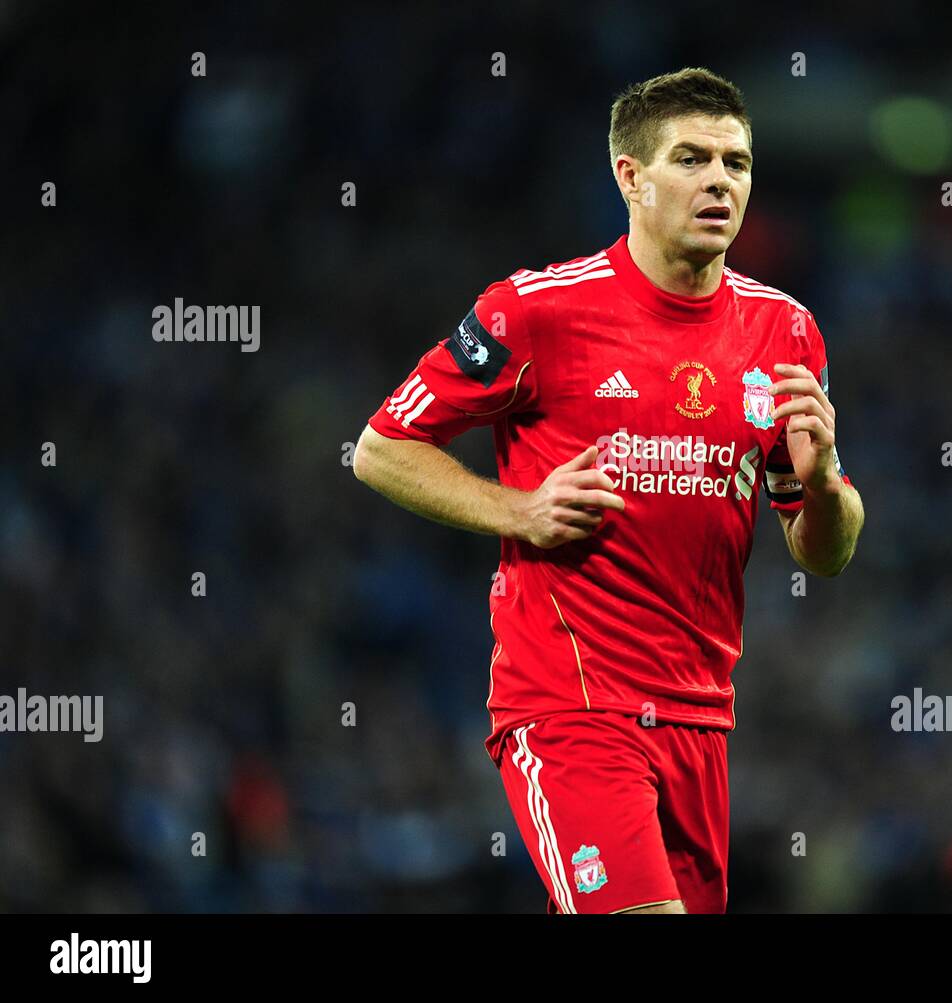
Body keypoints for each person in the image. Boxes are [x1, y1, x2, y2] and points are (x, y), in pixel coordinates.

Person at [354, 66, 864, 913]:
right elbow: (380, 447)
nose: (719, 182)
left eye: (736, 164)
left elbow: (826, 555)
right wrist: (516, 508)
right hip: (571, 710)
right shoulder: (536, 311)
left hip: (701, 723)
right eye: (692, 158)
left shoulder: (787, 331)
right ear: (631, 176)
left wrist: (823, 487)